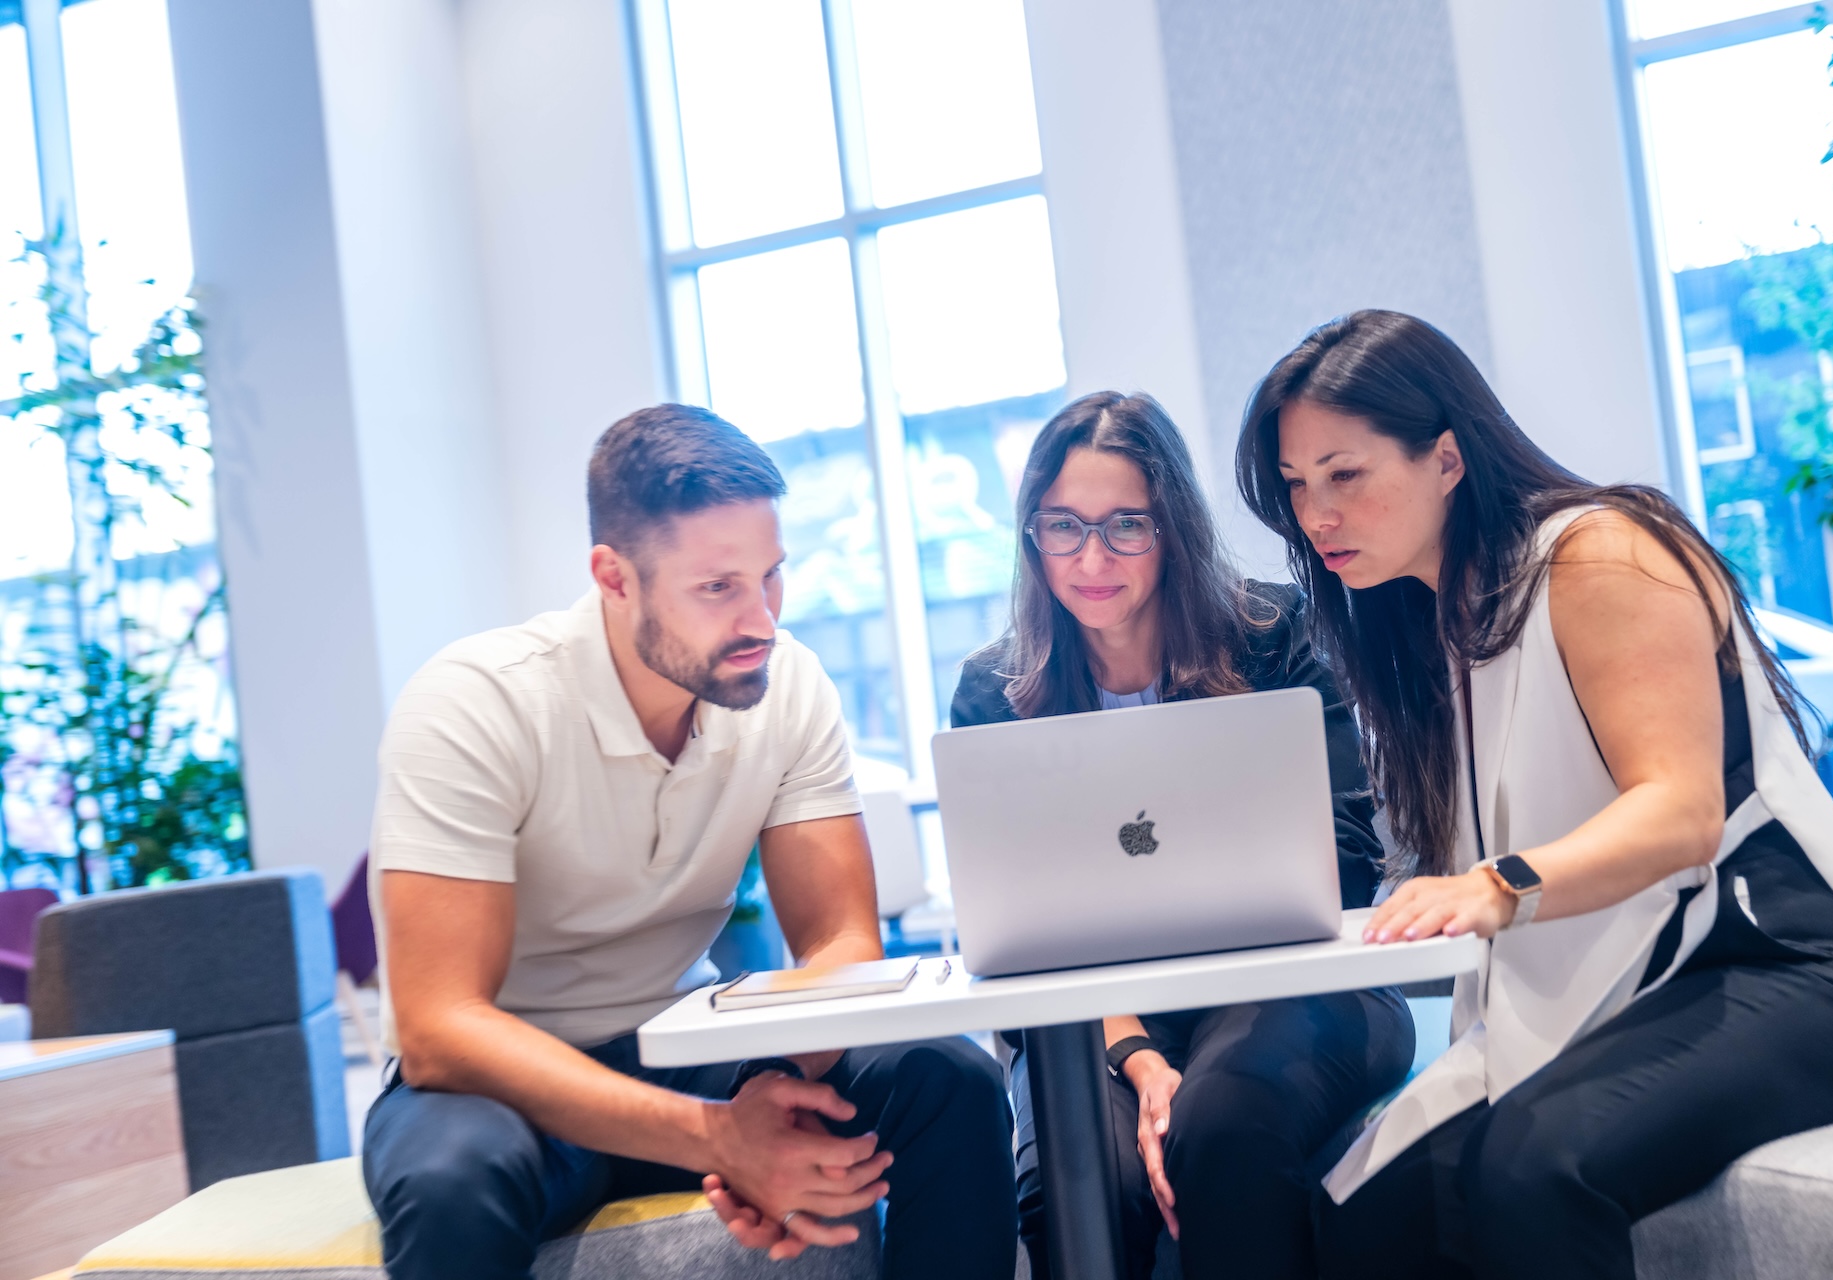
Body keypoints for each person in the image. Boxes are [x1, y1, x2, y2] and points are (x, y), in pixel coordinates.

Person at [1233, 310, 1833, 1280]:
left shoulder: (1602, 550)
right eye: (1297, 485)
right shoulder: (1437, 619)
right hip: (1630, 980)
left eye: (1344, 474)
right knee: (1364, 1215)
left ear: (1446, 458)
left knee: (1532, 1169)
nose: (1316, 515)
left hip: (1787, 965)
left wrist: (1497, 885)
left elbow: (1681, 811)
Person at [361, 404, 1017, 1280]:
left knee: (949, 1082)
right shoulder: (477, 703)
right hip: (502, 1085)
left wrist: (771, 1089)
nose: (762, 620)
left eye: (771, 576)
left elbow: (839, 940)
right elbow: (441, 1027)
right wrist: (718, 1139)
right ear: (614, 577)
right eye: (717, 588)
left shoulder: (787, 686)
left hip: (684, 1045)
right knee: (451, 1182)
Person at [950, 391, 1414, 1280]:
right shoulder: (995, 691)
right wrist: (1137, 1053)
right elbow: (1018, 926)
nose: (1092, 558)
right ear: (1030, 534)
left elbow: (1345, 863)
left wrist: (1191, 1062)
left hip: (1290, 985)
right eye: (1063, 526)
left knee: (1225, 1125)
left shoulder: (1272, 635)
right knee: (1085, 1181)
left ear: (1174, 528)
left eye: (1126, 525)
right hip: (1091, 1016)